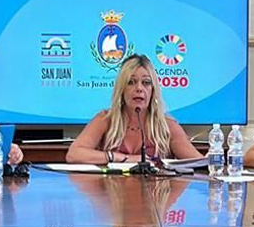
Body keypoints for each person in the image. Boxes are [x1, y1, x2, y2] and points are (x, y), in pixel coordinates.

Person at [65, 53, 203, 165]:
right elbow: (74, 154)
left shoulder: (166, 126)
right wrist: (119, 157)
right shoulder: (106, 119)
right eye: (131, 82)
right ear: (122, 89)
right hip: (113, 195)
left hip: (155, 196)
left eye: (146, 83)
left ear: (153, 90)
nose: (139, 89)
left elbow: (198, 162)